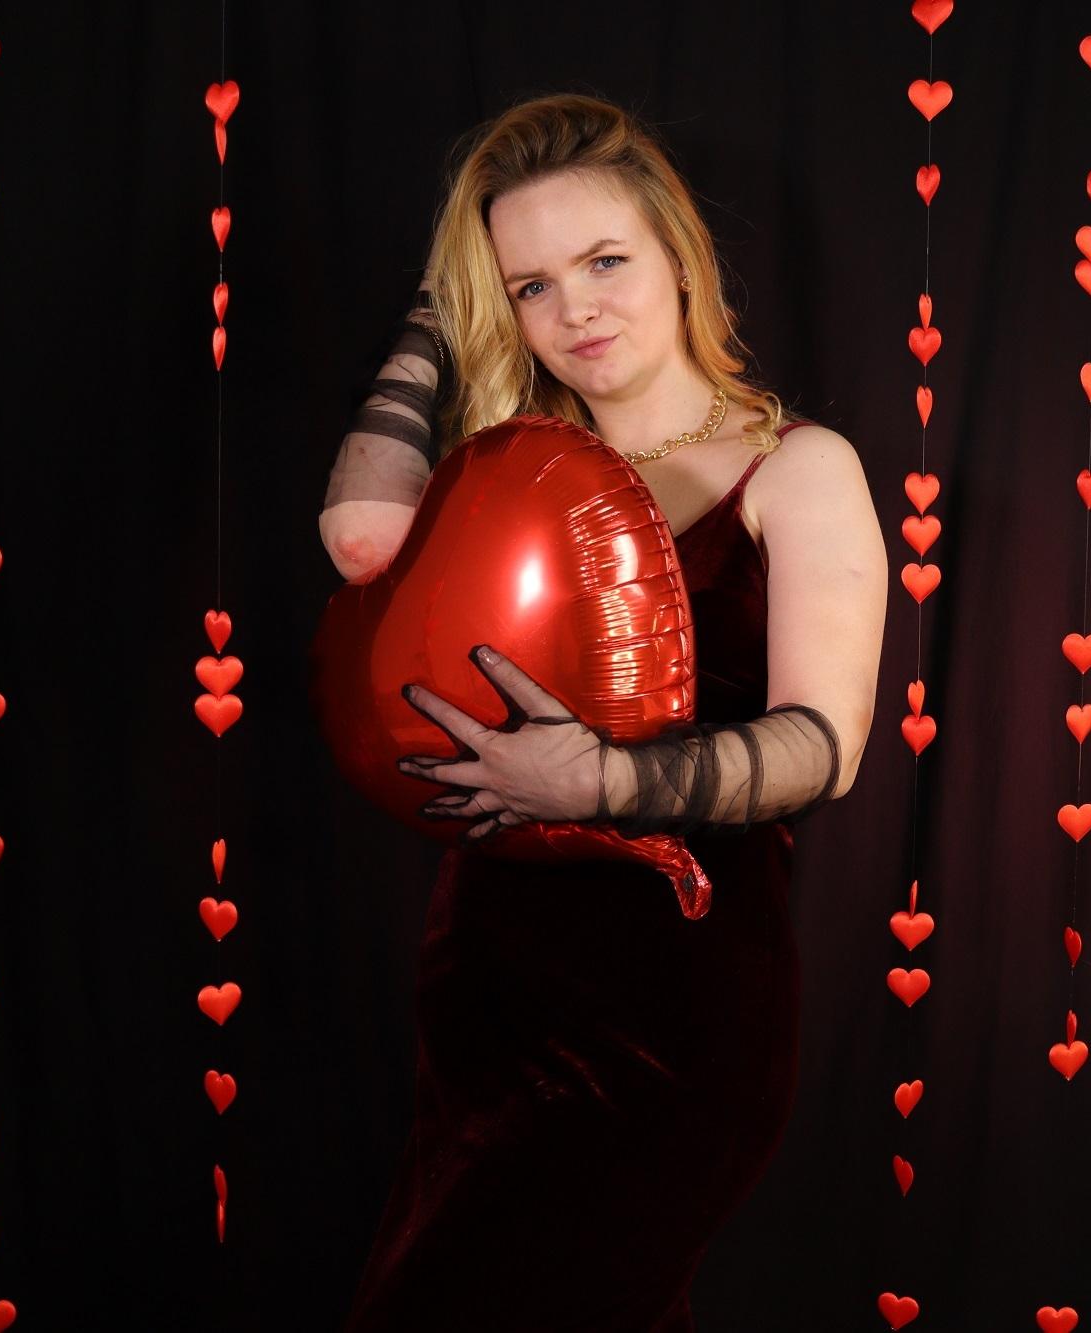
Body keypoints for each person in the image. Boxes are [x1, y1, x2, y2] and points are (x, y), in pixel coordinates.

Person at [322, 92, 885, 1330]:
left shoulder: (797, 469)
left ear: (679, 258)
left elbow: (823, 747)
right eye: (528, 285)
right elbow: (360, 535)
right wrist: (443, 300)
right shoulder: (498, 463)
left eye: (603, 261)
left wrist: (602, 783)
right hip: (484, 993)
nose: (573, 308)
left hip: (669, 1012)